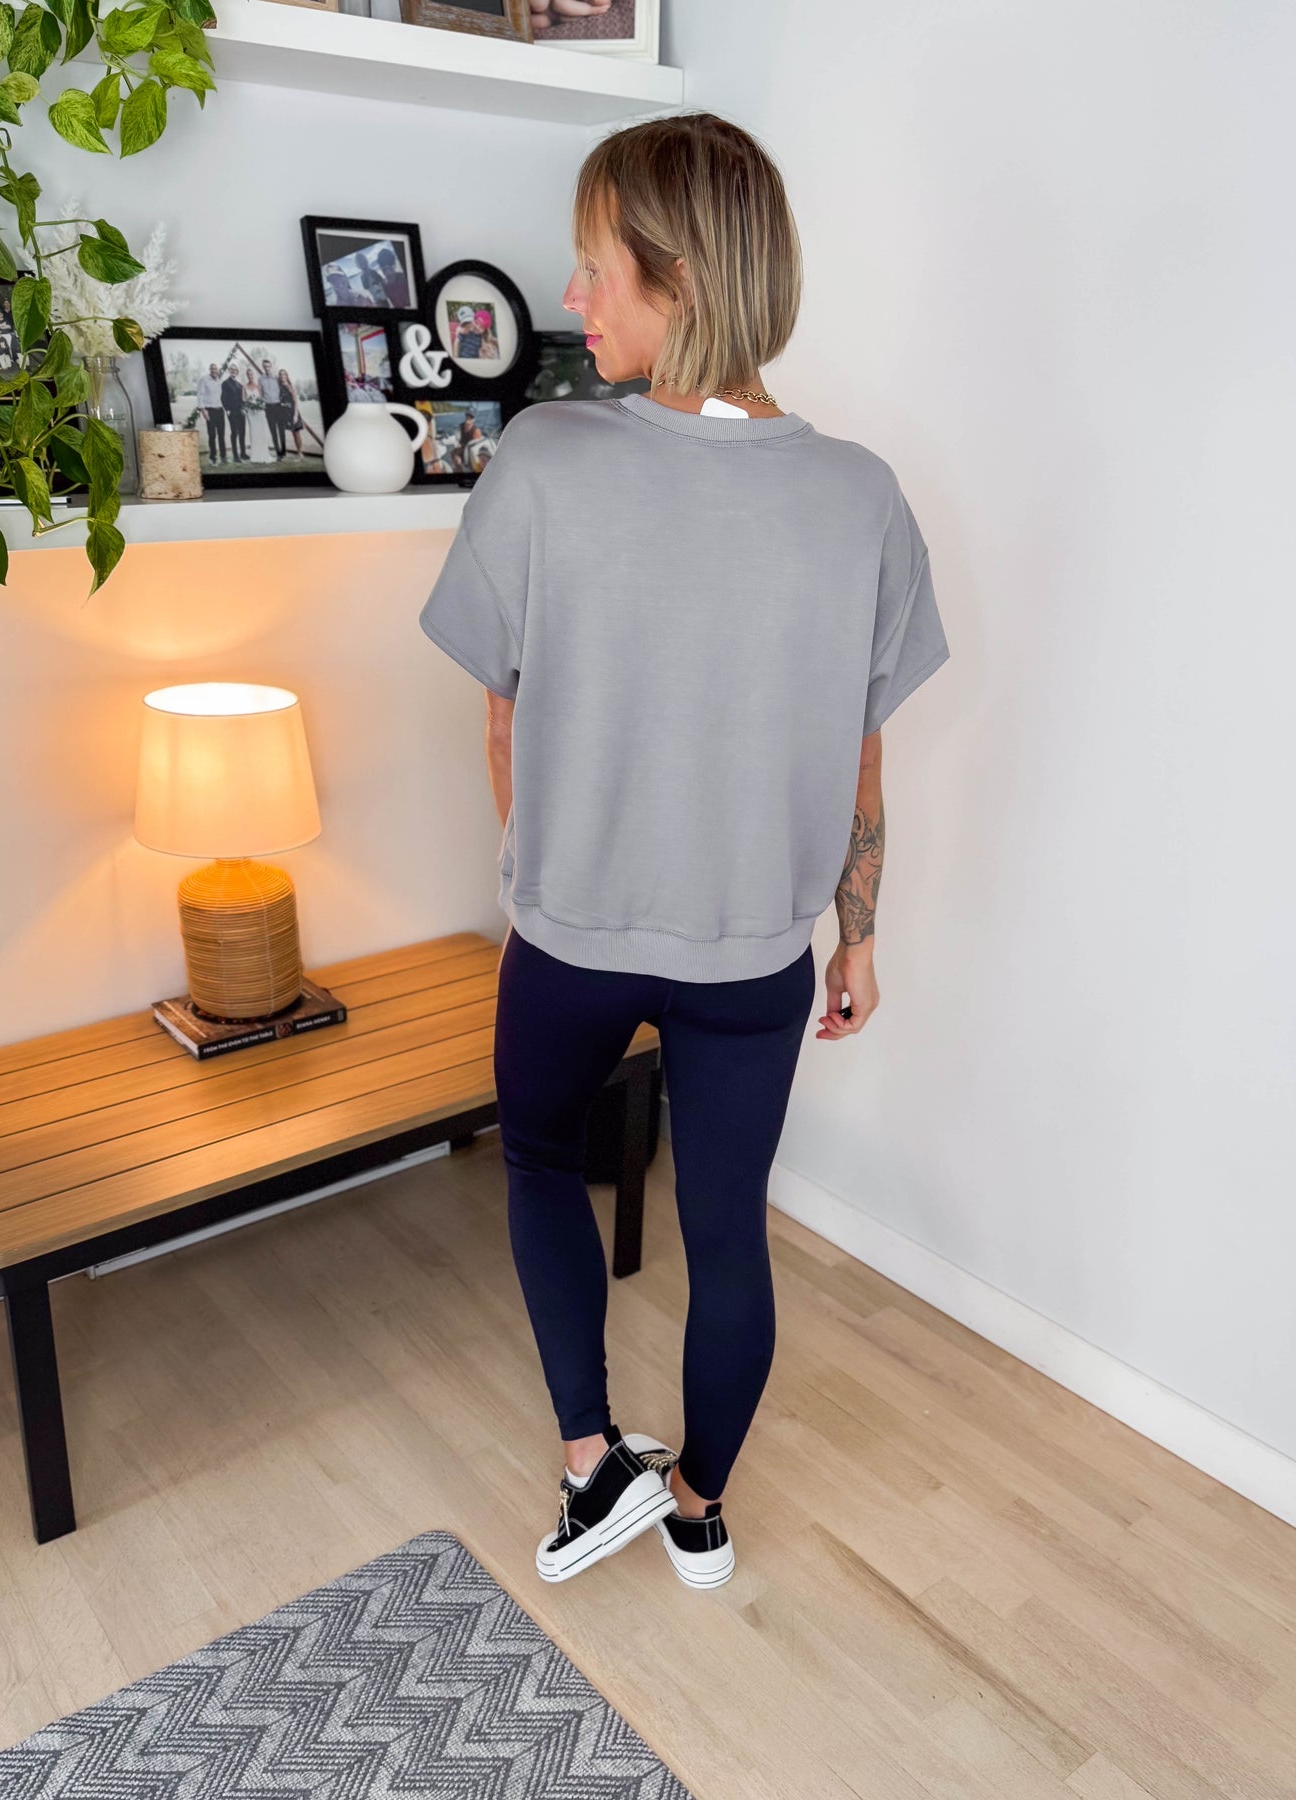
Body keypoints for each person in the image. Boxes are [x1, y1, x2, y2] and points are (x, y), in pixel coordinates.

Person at [418, 112, 948, 1592]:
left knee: (539, 1159)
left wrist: (549, 876)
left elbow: (501, 727)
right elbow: (860, 748)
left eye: (595, 270)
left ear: (683, 279)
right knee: (728, 1233)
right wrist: (857, 934)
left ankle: (592, 1464)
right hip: (755, 958)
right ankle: (699, 1511)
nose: (571, 299)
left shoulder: (544, 458)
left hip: (570, 939)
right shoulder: (860, 495)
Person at [195, 361, 226, 464]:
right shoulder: (204, 380)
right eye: (212, 369)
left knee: (221, 435)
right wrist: (203, 410)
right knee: (212, 435)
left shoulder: (219, 381)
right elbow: (200, 395)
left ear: (217, 370)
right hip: (210, 411)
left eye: (215, 369)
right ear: (209, 370)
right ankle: (213, 457)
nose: (214, 370)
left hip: (220, 410)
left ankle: (223, 457)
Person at [221, 364, 246, 463]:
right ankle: (235, 456)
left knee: (242, 432)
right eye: (232, 369)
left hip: (241, 411)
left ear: (237, 372)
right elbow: (223, 397)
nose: (233, 371)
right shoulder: (225, 383)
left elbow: (242, 398)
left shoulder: (239, 384)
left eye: (235, 370)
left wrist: (243, 408)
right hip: (232, 411)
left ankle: (243, 453)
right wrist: (227, 409)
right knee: (234, 432)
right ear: (229, 371)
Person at [279, 368, 305, 457]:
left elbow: (295, 402)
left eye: (284, 374)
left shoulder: (290, 387)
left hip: (293, 412)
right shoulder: (279, 387)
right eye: (281, 374)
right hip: (284, 413)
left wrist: (295, 415)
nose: (282, 376)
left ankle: (300, 453)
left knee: (296, 433)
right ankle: (284, 452)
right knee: (289, 433)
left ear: (286, 376)